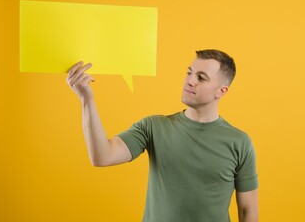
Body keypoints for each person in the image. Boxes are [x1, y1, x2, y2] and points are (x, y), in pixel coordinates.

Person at [67, 49, 258, 222]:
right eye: (189, 72)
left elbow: (247, 211)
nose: (190, 80)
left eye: (201, 77)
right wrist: (86, 99)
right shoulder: (153, 127)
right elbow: (102, 156)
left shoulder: (239, 142)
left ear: (221, 91)